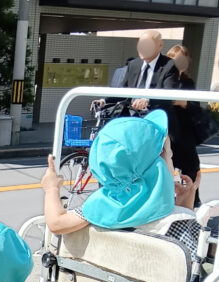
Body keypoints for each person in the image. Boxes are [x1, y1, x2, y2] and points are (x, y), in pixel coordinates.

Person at [41, 110, 210, 257]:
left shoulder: (99, 208)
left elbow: (56, 223)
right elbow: (191, 270)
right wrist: (185, 207)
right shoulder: (178, 223)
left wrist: (51, 189)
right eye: (170, 156)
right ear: (157, 168)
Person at [97, 30, 179, 114]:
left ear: (160, 46)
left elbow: (169, 95)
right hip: (131, 117)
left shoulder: (169, 66)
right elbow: (122, 91)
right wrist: (103, 100)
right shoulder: (133, 64)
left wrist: (147, 100)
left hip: (155, 116)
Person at [166, 44, 201, 206]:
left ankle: (194, 200)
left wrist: (184, 102)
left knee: (191, 167)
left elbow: (195, 106)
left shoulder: (187, 82)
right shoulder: (163, 79)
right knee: (164, 166)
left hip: (184, 131)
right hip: (166, 130)